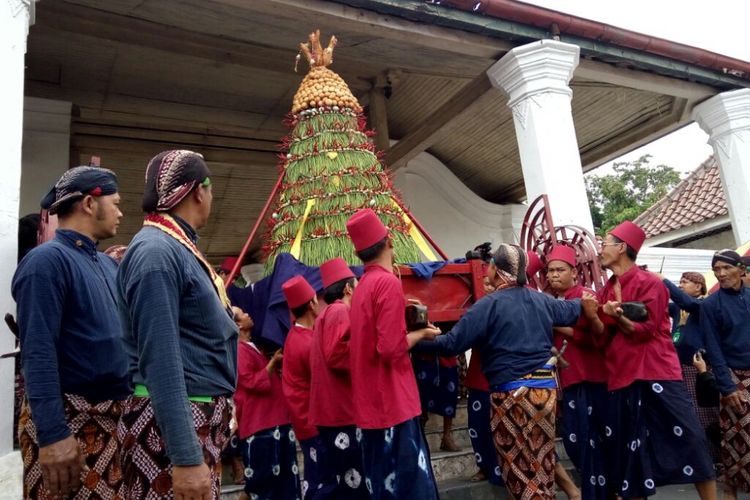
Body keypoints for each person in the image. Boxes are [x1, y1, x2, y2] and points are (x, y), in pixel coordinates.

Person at [417, 243, 598, 500]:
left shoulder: (488, 306)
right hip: (544, 395)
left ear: (494, 269)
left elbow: (451, 345)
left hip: (512, 398)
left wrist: (416, 337)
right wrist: (591, 307)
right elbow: (576, 309)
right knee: (542, 462)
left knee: (520, 468)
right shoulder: (542, 300)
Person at [117, 149, 238, 499]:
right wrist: (185, 457)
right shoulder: (156, 252)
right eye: (211, 187)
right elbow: (161, 359)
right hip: (171, 427)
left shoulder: (175, 247)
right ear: (199, 191)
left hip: (193, 417)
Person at [12, 166, 130, 499]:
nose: (121, 212)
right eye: (116, 202)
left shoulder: (107, 265)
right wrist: (52, 435)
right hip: (68, 427)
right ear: (90, 203)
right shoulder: (45, 262)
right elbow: (38, 353)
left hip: (110, 422)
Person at [596, 221, 716, 500]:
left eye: (604, 243)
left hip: (657, 370)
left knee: (691, 437)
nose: (600, 250)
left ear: (621, 247)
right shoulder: (606, 289)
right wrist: (594, 315)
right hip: (622, 374)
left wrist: (616, 316)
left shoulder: (651, 283)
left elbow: (644, 332)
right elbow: (600, 339)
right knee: (629, 448)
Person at [346, 208, 441, 499]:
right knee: (411, 488)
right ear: (389, 241)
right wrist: (422, 333)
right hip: (394, 404)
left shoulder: (361, 286)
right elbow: (389, 348)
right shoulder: (386, 282)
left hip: (371, 405)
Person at [545, 245, 607, 500]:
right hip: (570, 380)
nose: (553, 275)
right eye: (550, 271)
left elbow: (596, 336)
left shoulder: (586, 296)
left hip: (591, 378)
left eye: (560, 270)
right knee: (575, 441)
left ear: (574, 272)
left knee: (593, 442)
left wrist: (554, 323)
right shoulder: (554, 301)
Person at [309, 257, 368, 499]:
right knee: (352, 482)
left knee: (339, 479)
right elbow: (337, 354)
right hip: (341, 412)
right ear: (347, 288)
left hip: (331, 411)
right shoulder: (340, 310)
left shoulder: (324, 314)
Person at [234, 305, 301, 500]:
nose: (248, 313)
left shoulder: (253, 347)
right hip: (261, 424)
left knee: (285, 481)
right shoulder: (238, 350)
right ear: (238, 325)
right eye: (243, 314)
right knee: (265, 485)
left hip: (274, 420)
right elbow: (252, 382)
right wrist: (272, 364)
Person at [700, 250, 750, 500]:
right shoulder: (710, 304)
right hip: (735, 380)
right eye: (716, 269)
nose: (720, 274)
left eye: (725, 268)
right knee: (737, 446)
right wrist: (728, 387)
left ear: (741, 269)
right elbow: (714, 349)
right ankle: (731, 492)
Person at [662, 271, 720, 463]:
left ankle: (714, 459)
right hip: (680, 366)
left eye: (685, 282)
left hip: (700, 366)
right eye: (679, 282)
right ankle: (702, 460)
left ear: (699, 286)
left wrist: (664, 281)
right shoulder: (679, 307)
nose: (680, 285)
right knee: (691, 414)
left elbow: (687, 302)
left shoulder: (704, 304)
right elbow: (659, 305)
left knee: (705, 414)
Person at [281, 275, 322, 499]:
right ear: (311, 305)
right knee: (321, 480)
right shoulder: (305, 342)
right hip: (313, 421)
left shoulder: (296, 336)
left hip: (305, 419)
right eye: (316, 299)